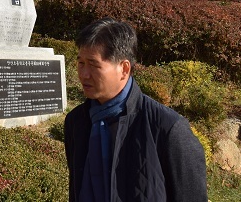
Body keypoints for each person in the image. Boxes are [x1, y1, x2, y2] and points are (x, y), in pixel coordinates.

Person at [64, 17, 207, 202]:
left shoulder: (168, 128)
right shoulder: (77, 121)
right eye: (81, 63)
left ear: (124, 68)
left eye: (93, 64)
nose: (83, 74)